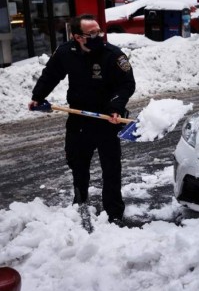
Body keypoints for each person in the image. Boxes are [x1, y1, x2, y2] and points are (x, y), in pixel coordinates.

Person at [28, 14, 136, 224]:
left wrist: (115, 107)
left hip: (107, 118)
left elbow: (127, 84)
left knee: (111, 167)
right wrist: (37, 96)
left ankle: (113, 211)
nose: (98, 35)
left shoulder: (112, 55)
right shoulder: (66, 53)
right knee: (77, 162)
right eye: (92, 33)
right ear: (77, 37)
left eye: (99, 31)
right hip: (79, 117)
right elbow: (51, 74)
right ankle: (80, 200)